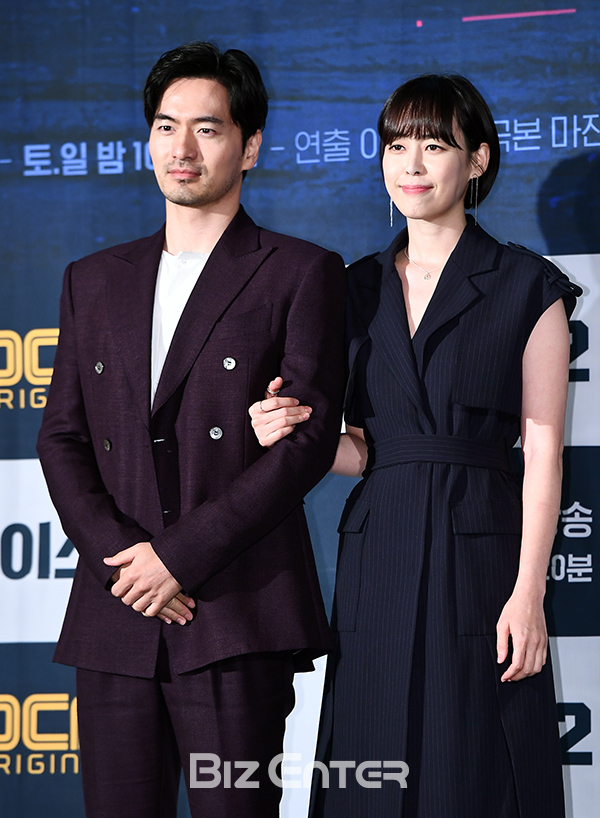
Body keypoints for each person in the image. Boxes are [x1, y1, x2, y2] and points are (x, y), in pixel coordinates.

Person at [249, 74, 581, 817]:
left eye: (435, 145)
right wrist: (292, 431)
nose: (413, 165)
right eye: (397, 146)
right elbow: (360, 449)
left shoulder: (527, 287)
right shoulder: (350, 288)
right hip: (380, 549)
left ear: (478, 160)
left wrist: (528, 594)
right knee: (372, 752)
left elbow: (542, 453)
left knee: (474, 761)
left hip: (482, 550)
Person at [36, 41, 346, 818]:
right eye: (166, 126)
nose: (182, 147)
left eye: (207, 129)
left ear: (250, 147)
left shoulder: (299, 271)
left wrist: (177, 559)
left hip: (235, 610)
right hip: (118, 611)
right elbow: (61, 438)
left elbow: (305, 444)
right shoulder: (92, 280)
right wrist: (128, 564)